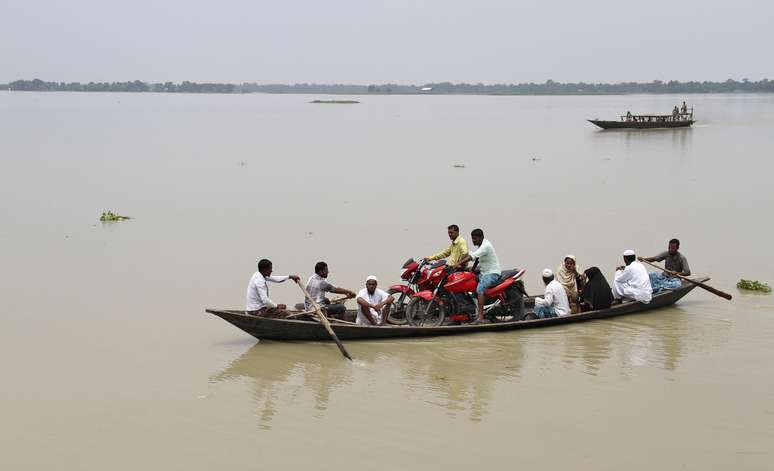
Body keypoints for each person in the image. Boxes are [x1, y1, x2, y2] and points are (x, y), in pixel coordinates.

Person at [457, 228, 501, 324]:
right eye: (472, 238)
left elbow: (473, 256)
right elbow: (477, 259)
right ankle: (475, 312)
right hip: (484, 272)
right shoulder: (481, 246)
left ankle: (480, 317)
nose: (473, 241)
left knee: (480, 289)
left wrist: (458, 264)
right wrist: (471, 270)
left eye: (475, 238)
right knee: (471, 283)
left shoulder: (485, 246)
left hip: (492, 273)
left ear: (481, 237)